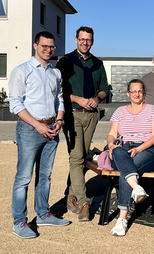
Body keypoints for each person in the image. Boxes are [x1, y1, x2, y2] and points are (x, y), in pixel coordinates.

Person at [9, 31, 70, 238]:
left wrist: (59, 120)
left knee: (45, 175)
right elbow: (15, 104)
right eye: (44, 46)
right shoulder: (22, 71)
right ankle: (19, 222)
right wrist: (37, 125)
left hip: (52, 128)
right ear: (35, 46)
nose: (48, 49)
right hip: (29, 129)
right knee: (24, 177)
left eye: (51, 47)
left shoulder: (55, 73)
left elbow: (59, 99)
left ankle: (43, 214)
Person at [56, 26, 108, 221]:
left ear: (92, 41)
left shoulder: (97, 64)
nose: (85, 43)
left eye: (89, 40)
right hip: (72, 114)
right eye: (82, 39)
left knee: (81, 157)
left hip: (92, 116)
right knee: (76, 157)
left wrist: (97, 98)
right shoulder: (65, 62)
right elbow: (58, 91)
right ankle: (85, 202)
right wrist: (78, 99)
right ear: (76, 40)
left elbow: (104, 89)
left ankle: (71, 197)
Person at [106, 79, 154, 237]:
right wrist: (111, 145)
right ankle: (136, 188)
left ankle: (122, 219)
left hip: (147, 149)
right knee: (118, 152)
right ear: (128, 93)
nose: (137, 94)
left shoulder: (152, 109)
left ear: (144, 93)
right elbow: (112, 134)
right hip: (123, 149)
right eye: (133, 91)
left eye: (140, 91)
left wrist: (139, 149)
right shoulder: (120, 111)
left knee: (127, 171)